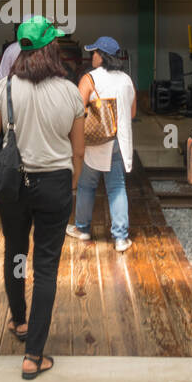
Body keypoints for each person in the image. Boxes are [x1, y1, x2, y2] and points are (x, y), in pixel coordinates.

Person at [0, 15, 84, 380]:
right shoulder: (69, 91)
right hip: (55, 186)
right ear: (52, 48)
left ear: (20, 49)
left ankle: (18, 320)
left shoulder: (3, 89)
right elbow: (78, 150)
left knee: (16, 252)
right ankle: (34, 355)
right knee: (47, 267)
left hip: (14, 187)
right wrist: (71, 185)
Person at [67, 36, 137, 252]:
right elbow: (132, 113)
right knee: (117, 188)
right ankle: (120, 238)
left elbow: (76, 110)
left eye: (94, 53)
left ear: (103, 56)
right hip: (118, 140)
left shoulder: (89, 78)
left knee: (87, 185)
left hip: (95, 142)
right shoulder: (127, 80)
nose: (92, 56)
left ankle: (83, 228)